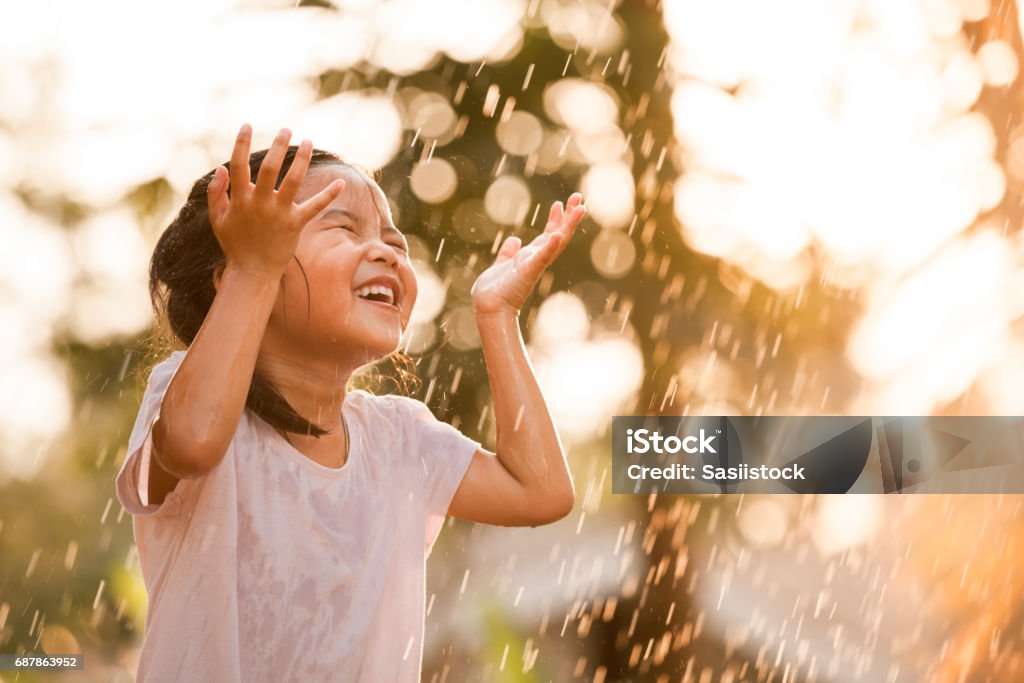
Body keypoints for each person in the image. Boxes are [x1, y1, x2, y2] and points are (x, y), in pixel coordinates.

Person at [114, 124, 586, 681]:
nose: (385, 252)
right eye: (343, 227)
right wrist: (254, 268)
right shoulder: (185, 395)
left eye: (394, 241)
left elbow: (541, 493)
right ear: (234, 274)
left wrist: (498, 316)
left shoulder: (400, 439)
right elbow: (191, 446)